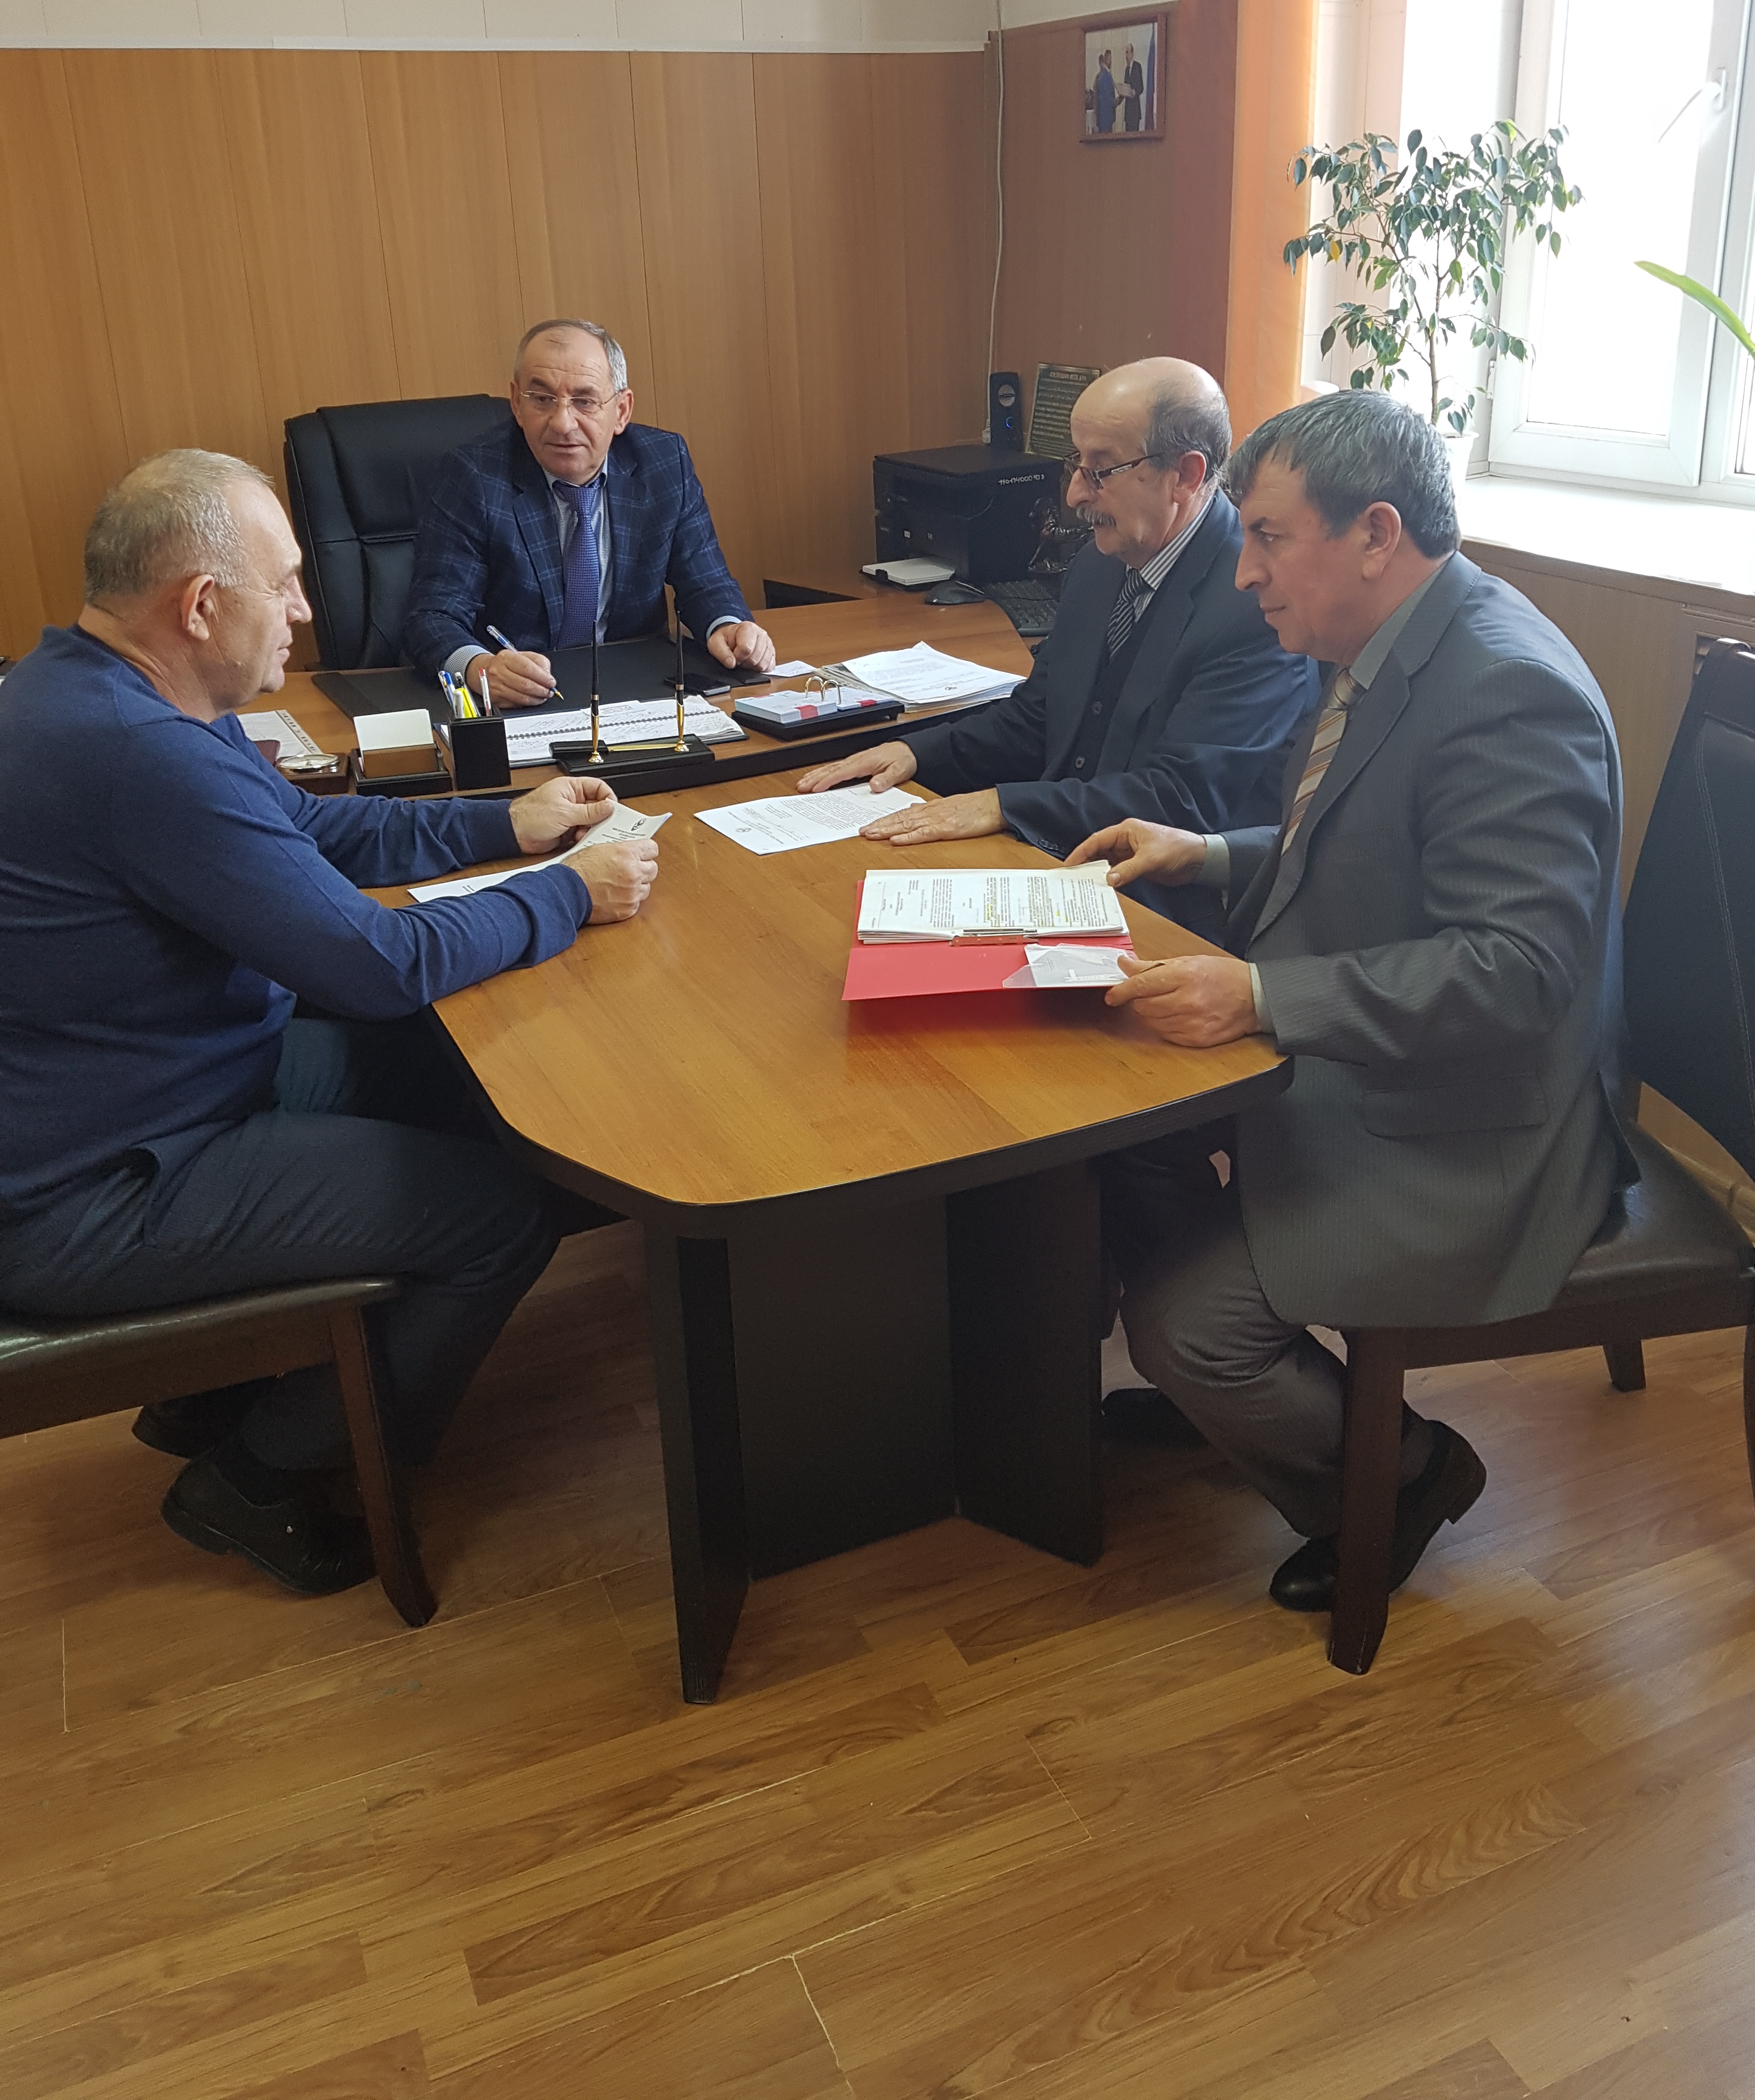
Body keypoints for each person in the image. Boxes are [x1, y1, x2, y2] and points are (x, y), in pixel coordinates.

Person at [0, 451, 660, 1597]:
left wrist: (506, 824)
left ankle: (219, 1386)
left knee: (462, 1085)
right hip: (98, 1187)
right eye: (285, 583)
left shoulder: (99, 682)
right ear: (200, 604)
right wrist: (566, 892)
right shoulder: (140, 752)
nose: (304, 609)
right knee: (497, 1218)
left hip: (160, 1084)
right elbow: (376, 964)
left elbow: (303, 830)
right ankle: (263, 1471)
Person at [1070, 391, 1636, 1612]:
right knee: (1125, 1147)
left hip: (1480, 1128)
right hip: (1400, 1064)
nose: (1243, 574)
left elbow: (1517, 972)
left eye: (1269, 539)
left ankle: (1404, 1474)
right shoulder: (1387, 643)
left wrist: (1261, 994)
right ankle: (1240, 1407)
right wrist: (1205, 852)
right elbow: (1357, 841)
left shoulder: (1505, 691)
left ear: (1376, 533)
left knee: (1184, 1328)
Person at [795, 360, 1317, 934]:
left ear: (1185, 475)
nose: (1073, 495)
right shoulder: (1098, 564)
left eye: (1101, 471)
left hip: (1164, 909)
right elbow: (1039, 716)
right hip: (1054, 864)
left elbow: (1182, 800)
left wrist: (1003, 804)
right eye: (1076, 464)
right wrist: (918, 752)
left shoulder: (1255, 601)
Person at [403, 317, 776, 709]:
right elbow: (432, 616)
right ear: (516, 403)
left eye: (584, 401)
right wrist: (479, 668)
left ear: (621, 410)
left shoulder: (665, 463)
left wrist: (729, 625)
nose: (563, 423)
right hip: (523, 696)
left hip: (635, 686)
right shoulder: (473, 476)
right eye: (542, 399)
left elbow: (706, 582)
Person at [1093, 51, 1117, 134]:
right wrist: (1117, 101)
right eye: (1110, 59)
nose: (1111, 61)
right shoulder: (1104, 76)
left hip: (1107, 116)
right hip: (1105, 117)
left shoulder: (1107, 75)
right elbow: (1107, 97)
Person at [1122, 42, 1144, 134]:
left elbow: (1141, 87)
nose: (1126, 56)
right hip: (1128, 111)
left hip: (1135, 110)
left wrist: (1135, 92)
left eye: (1128, 52)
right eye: (1125, 53)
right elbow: (1126, 86)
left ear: (1132, 53)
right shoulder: (1127, 70)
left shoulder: (1137, 66)